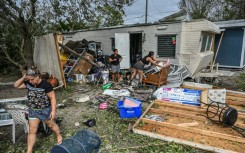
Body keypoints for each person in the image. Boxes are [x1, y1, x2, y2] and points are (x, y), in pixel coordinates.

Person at [14, 66, 62, 153]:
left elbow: (52, 97)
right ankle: (29, 151)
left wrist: (53, 111)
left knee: (51, 125)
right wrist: (24, 77)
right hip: (33, 110)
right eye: (29, 79)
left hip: (44, 110)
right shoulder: (28, 83)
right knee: (32, 131)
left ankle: (58, 135)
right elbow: (16, 85)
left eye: (32, 79)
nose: (30, 81)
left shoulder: (46, 85)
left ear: (38, 77)